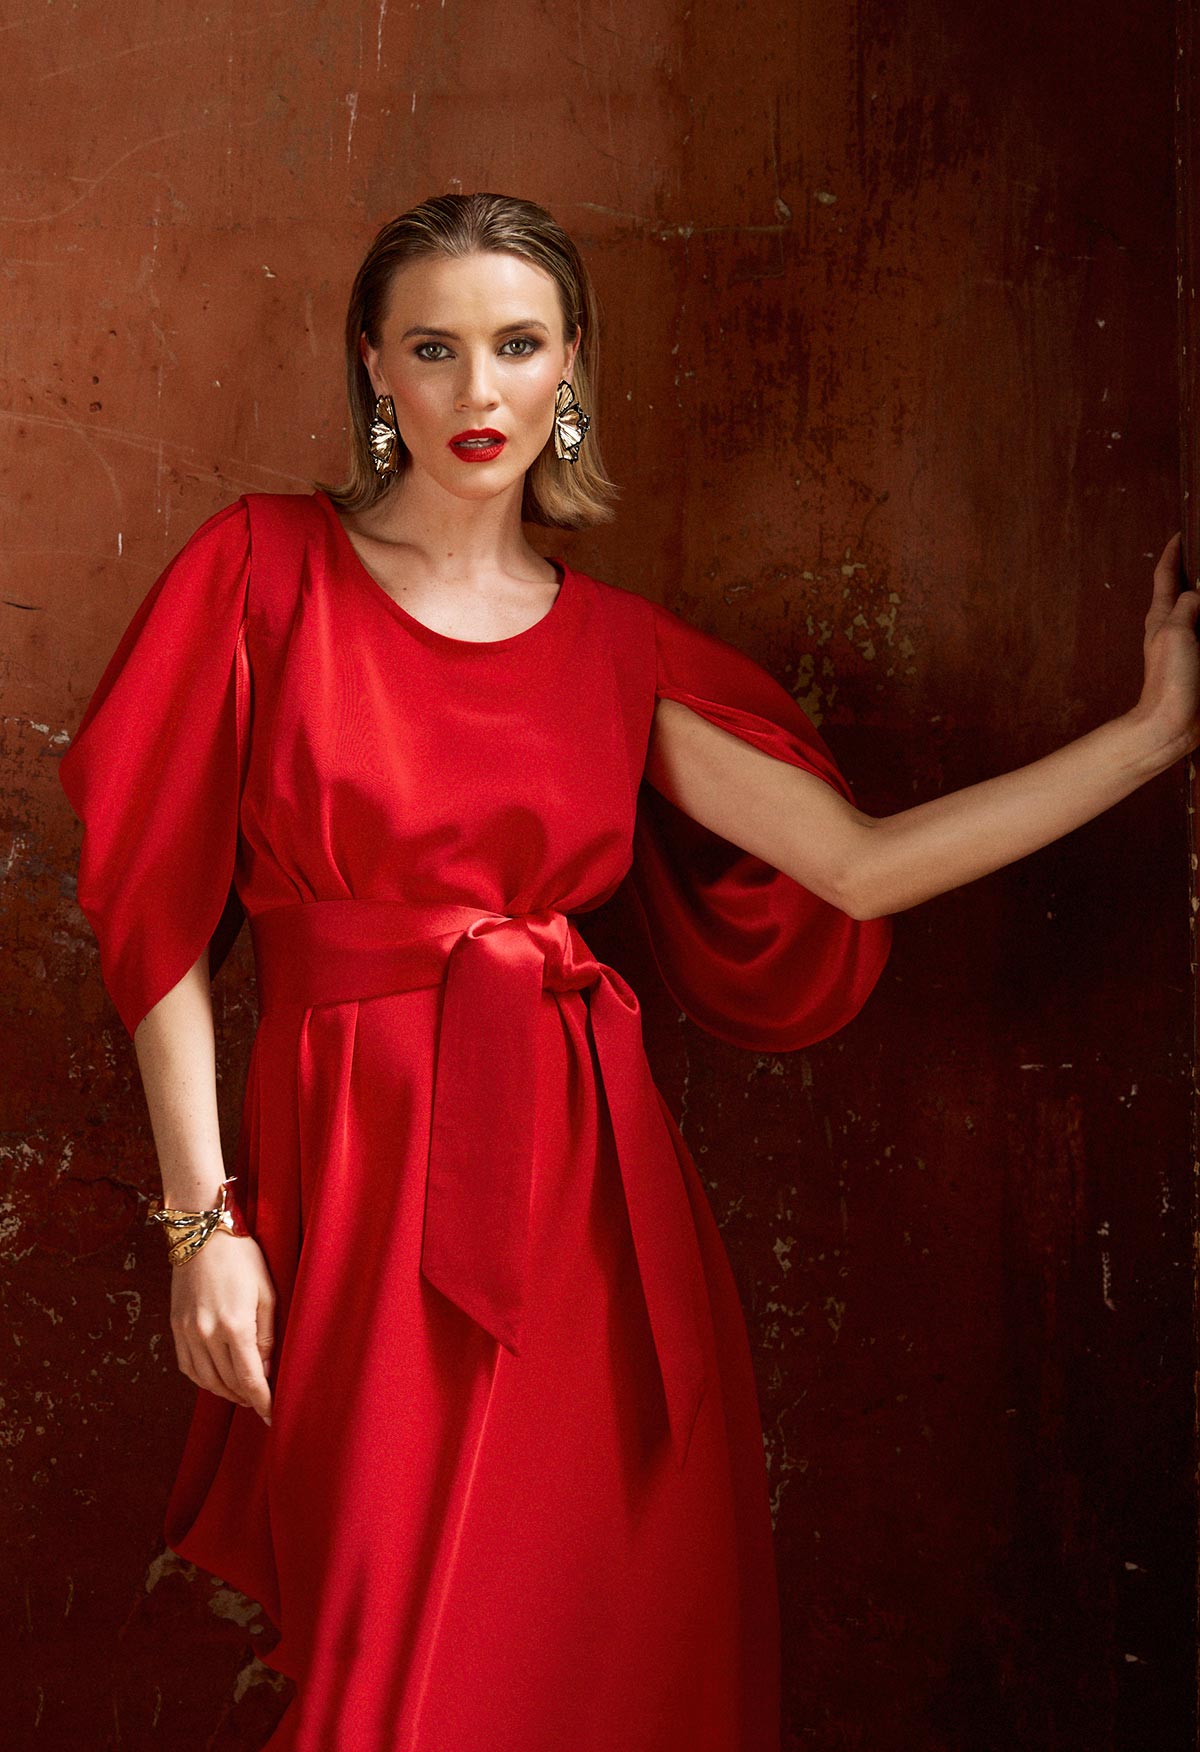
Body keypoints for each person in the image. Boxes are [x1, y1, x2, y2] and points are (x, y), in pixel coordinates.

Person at [58, 191, 1199, 1752]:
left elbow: (858, 866)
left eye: (517, 346)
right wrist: (207, 1224)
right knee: (387, 1661)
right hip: (358, 1186)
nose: (479, 393)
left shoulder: (615, 650)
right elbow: (156, 922)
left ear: (571, 367)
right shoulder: (265, 572)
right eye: (435, 350)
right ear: (374, 373)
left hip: (590, 1203)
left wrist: (1149, 738)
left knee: (609, 1655)